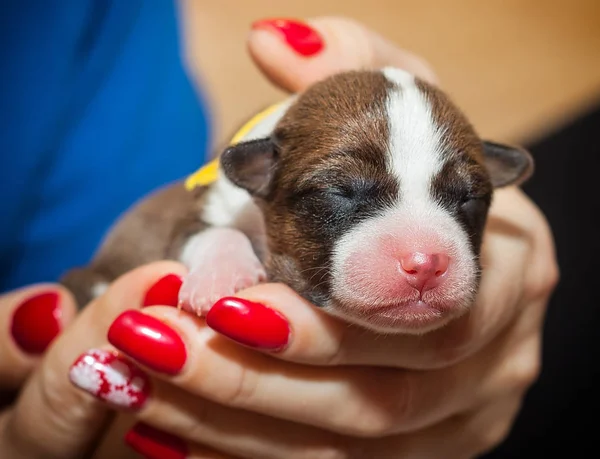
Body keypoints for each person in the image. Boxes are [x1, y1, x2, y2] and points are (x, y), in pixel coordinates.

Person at [0, 4, 558, 459]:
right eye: (345, 193)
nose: (425, 254)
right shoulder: (216, 195)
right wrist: (220, 250)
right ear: (258, 174)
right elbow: (188, 225)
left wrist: (514, 281)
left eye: (463, 198)